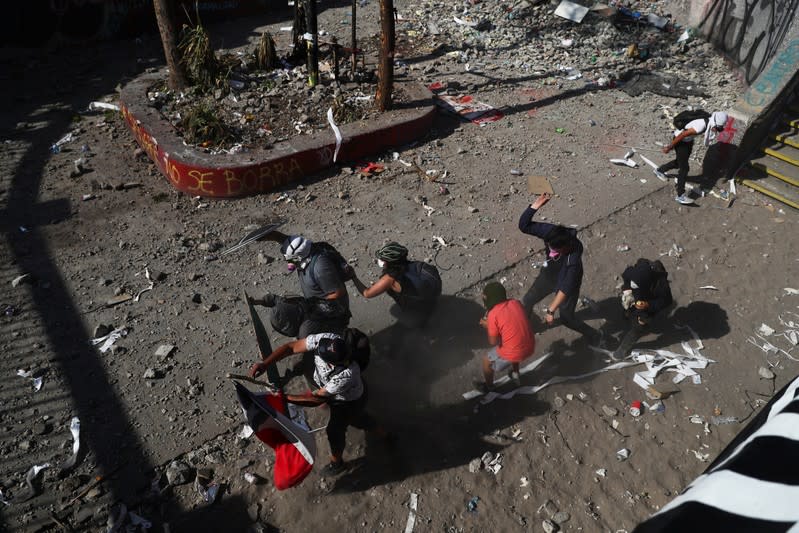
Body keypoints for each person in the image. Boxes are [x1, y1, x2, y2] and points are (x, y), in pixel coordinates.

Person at [249, 332, 390, 476]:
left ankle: (338, 463)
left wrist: (283, 398)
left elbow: (316, 400)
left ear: (332, 363)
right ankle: (385, 435)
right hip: (332, 393)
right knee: (358, 418)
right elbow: (291, 348)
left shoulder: (347, 374)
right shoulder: (326, 340)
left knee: (338, 429)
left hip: (348, 402)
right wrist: (265, 363)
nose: (317, 350)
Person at [249, 233, 352, 383]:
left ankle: (314, 377)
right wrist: (266, 235)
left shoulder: (320, 268)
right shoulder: (303, 253)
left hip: (331, 313)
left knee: (306, 356)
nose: (287, 261)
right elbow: (285, 241)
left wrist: (316, 305)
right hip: (313, 305)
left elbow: (338, 292)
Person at [518, 193, 602, 345]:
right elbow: (524, 225)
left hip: (565, 283)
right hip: (548, 275)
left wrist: (551, 310)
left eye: (557, 250)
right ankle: (524, 328)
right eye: (551, 247)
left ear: (566, 246)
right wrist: (535, 206)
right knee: (528, 300)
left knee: (566, 318)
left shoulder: (573, 260)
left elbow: (566, 287)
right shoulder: (551, 232)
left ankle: (594, 335)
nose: (552, 252)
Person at [349, 242, 442, 328]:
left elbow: (367, 293)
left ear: (388, 262)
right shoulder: (414, 265)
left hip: (418, 309)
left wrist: (354, 277)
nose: (380, 261)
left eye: (382, 259)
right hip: (431, 301)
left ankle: (417, 321)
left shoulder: (390, 279)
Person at [654, 110, 728, 205]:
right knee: (684, 168)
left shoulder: (709, 121)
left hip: (688, 141)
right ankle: (680, 195)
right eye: (717, 127)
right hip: (681, 142)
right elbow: (682, 135)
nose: (717, 130)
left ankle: (660, 170)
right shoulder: (701, 126)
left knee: (679, 162)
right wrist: (670, 147)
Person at [474, 282, 536, 393]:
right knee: (513, 343)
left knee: (486, 362)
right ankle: (515, 374)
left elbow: (493, 341)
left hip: (516, 351)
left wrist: (488, 326)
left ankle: (489, 387)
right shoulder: (515, 302)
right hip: (530, 345)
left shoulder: (493, 314)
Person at [612, 258, 673, 360]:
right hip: (636, 297)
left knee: (640, 325)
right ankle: (627, 315)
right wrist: (627, 290)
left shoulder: (661, 285)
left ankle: (623, 349)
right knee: (628, 308)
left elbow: (666, 301)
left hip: (649, 301)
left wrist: (648, 305)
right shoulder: (634, 273)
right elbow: (626, 277)